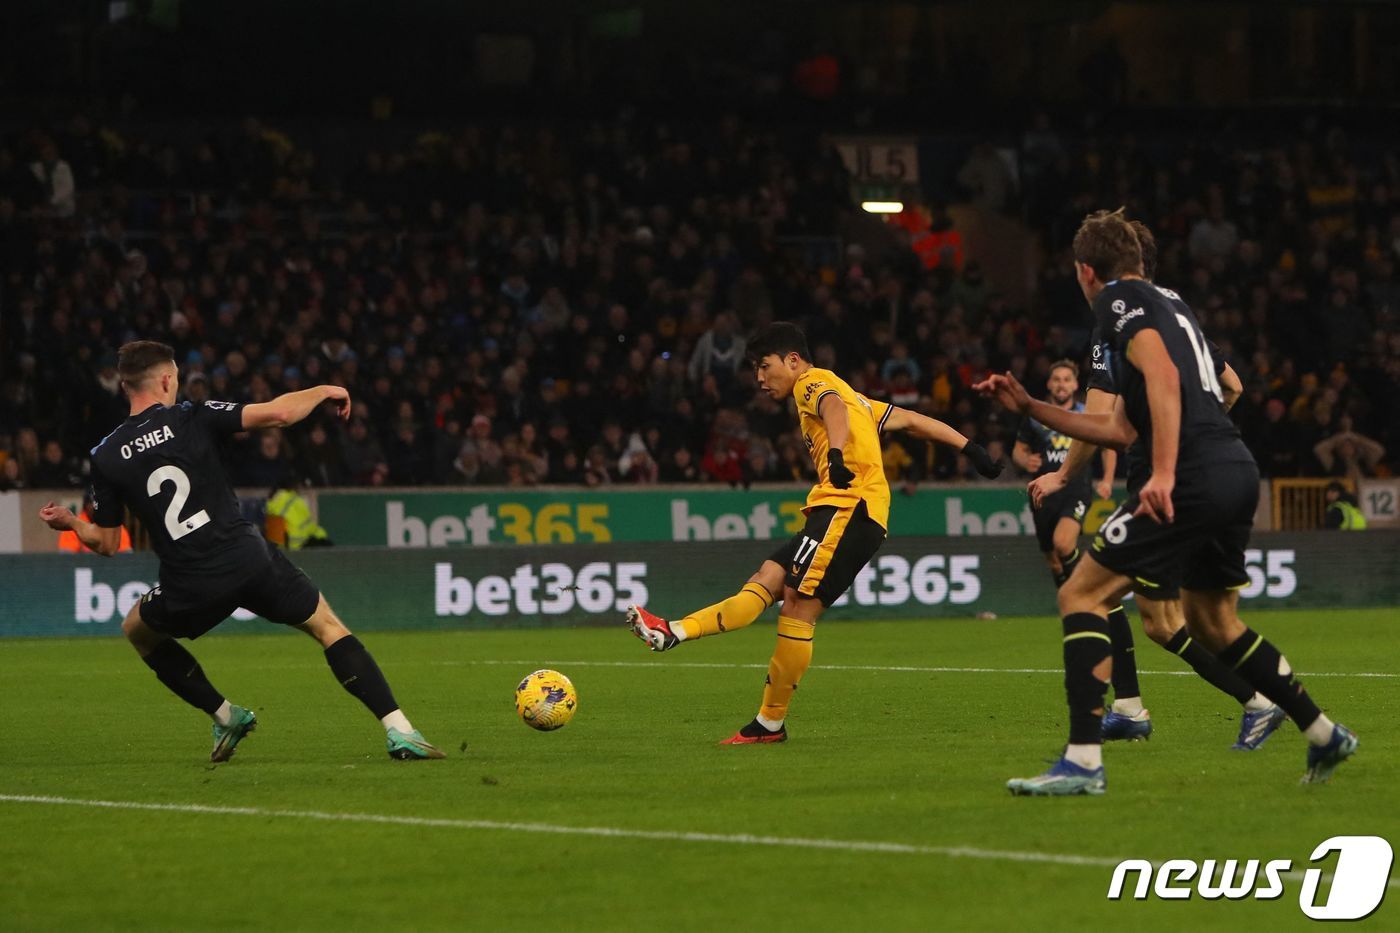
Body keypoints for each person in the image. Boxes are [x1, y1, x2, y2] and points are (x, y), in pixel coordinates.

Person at [976, 209, 1355, 795]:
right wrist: (1030, 406)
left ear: (1085, 271)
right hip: (1235, 469)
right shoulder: (1172, 305)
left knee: (1081, 591)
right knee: (1215, 622)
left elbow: (1164, 380)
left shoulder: (1117, 303)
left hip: (1190, 477)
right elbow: (1121, 427)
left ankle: (1083, 761)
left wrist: (1165, 471)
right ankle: (1323, 731)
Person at [38, 340, 443, 763]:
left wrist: (71, 523)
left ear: (125, 386)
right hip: (247, 558)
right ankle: (400, 730)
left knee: (136, 629)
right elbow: (281, 413)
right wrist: (325, 390)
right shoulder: (192, 415)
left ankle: (225, 714)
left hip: (189, 582)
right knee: (327, 626)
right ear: (165, 379)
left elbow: (104, 543)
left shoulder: (105, 455)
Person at [626, 322, 1004, 744]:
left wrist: (838, 453)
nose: (759, 378)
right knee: (767, 579)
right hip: (835, 510)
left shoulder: (813, 382)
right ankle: (673, 631)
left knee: (797, 607)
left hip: (849, 506)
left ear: (792, 360)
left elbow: (832, 410)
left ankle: (769, 724)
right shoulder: (856, 397)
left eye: (764, 366)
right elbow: (913, 420)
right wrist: (972, 449)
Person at [1028, 220, 1284, 752]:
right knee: (1164, 618)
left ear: (1093, 272)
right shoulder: (1174, 308)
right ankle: (1131, 708)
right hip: (1204, 470)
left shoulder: (1114, 318)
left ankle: (1258, 703)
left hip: (1162, 481)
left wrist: (1063, 473)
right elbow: (1232, 384)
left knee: (1113, 600)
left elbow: (1101, 421)